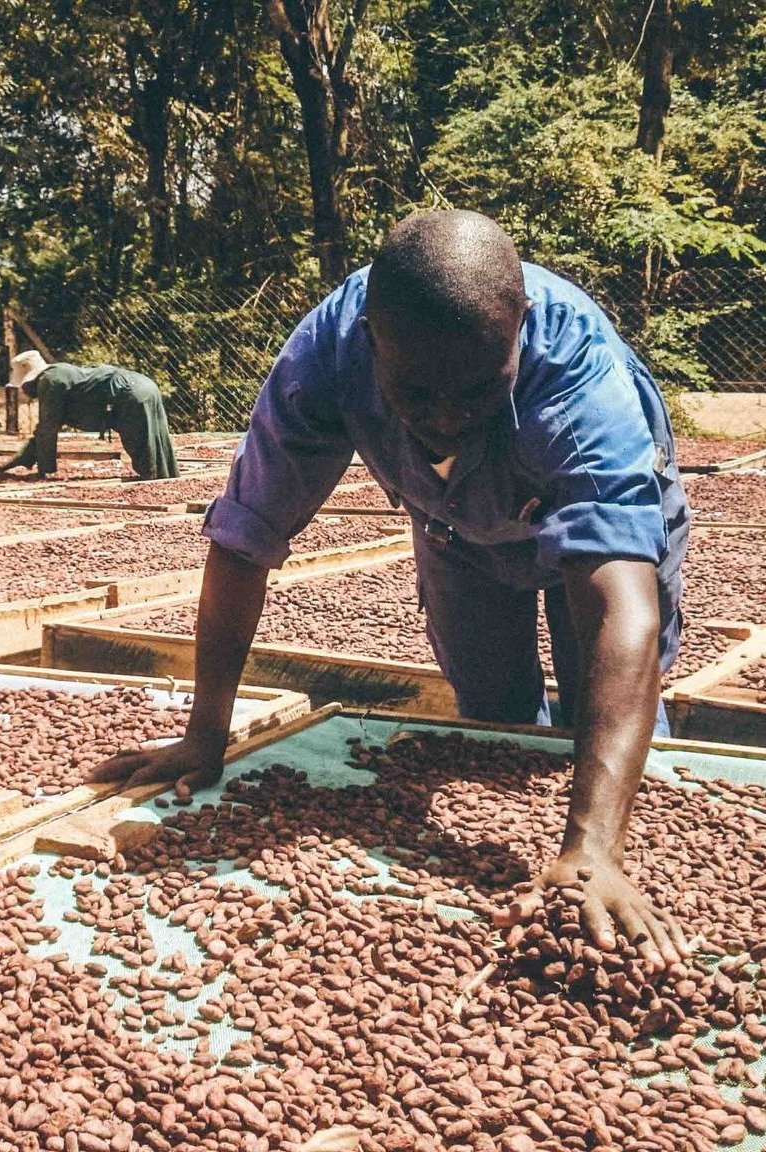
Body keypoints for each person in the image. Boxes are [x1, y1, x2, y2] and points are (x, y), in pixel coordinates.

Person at [92, 210, 692, 967]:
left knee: (599, 703)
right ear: (372, 336)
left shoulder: (577, 371)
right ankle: (556, 838)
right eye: (414, 394)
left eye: (478, 391)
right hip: (455, 529)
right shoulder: (323, 358)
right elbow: (243, 542)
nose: (445, 418)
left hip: (597, 525)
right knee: (493, 719)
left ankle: (612, 849)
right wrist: (205, 733)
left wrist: (590, 848)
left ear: (519, 332)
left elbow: (620, 605)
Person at [0, 351, 179, 481]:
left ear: (30, 380)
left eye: (25, 386)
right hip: (142, 385)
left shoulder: (50, 381)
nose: (25, 391)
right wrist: (8, 466)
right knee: (153, 441)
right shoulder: (57, 374)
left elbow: (47, 428)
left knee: (143, 448)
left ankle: (156, 477)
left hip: (129, 392)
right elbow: (42, 433)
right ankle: (164, 476)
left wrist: (42, 472)